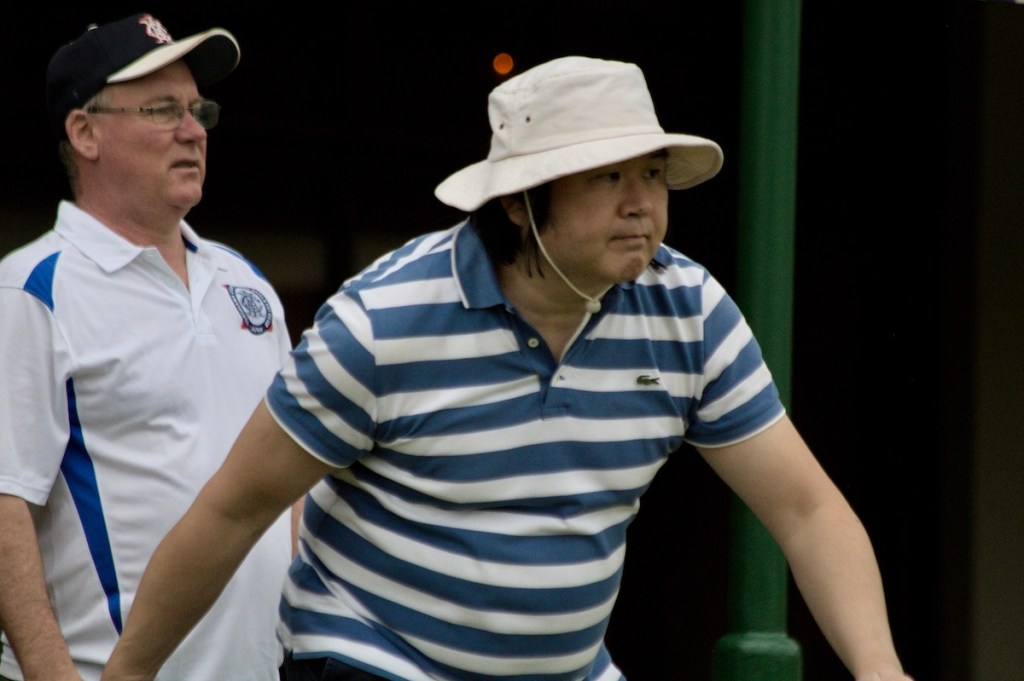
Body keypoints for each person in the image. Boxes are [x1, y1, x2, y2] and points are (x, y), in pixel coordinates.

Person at [101, 56, 913, 681]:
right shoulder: (382, 322)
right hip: (373, 656)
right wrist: (128, 674)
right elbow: (232, 511)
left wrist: (881, 669)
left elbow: (807, 509)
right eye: (609, 176)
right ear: (521, 203)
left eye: (653, 173)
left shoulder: (690, 310)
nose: (643, 202)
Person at [0, 13, 297, 681]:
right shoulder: (31, 290)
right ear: (85, 133)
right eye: (163, 110)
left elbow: (291, 477)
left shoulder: (245, 282)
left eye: (198, 110)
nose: (193, 131)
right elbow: (4, 505)